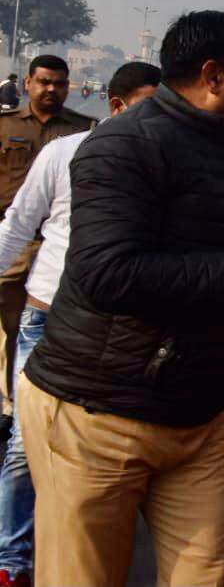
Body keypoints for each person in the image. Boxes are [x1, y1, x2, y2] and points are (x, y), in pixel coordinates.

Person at [17, 11, 224, 587]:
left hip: (199, 418)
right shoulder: (119, 147)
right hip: (98, 414)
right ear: (213, 76)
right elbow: (106, 273)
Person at [0, 62, 160, 586]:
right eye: (148, 107)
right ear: (116, 107)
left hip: (115, 328)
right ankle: (13, 560)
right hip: (44, 317)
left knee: (103, 446)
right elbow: (20, 223)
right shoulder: (63, 153)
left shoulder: (167, 162)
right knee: (27, 445)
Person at [0, 55, 94, 436]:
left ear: (68, 86)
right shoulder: (5, 126)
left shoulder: (82, 130)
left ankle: (45, 408)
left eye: (58, 83)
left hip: (60, 242)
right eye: (43, 82)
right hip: (15, 237)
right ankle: (13, 403)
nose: (50, 89)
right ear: (28, 84)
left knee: (50, 328)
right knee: (11, 328)